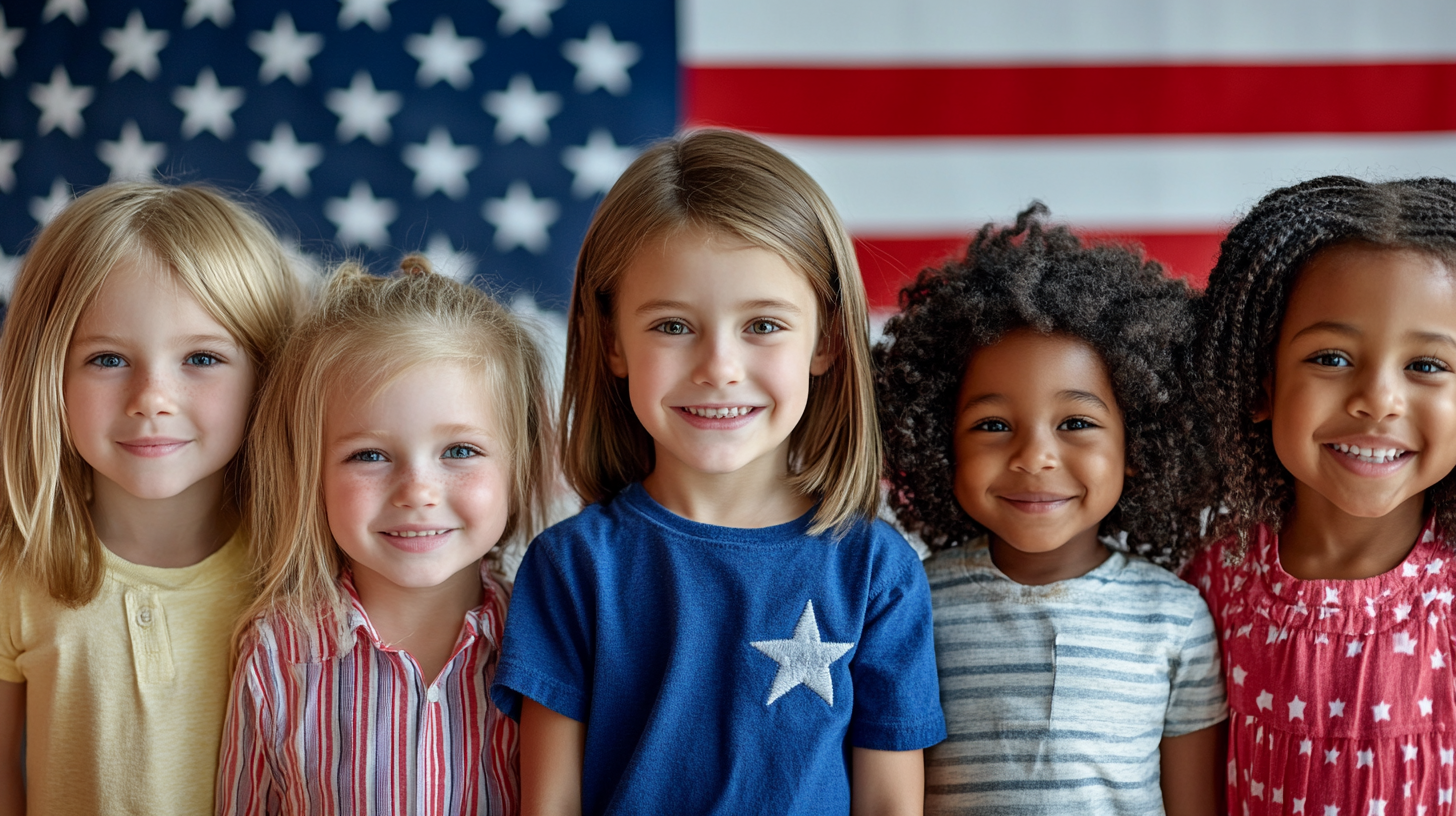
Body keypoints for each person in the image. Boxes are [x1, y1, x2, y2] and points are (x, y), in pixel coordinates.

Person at [491, 129, 945, 815]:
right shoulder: (571, 567)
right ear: (613, 341)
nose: (718, 367)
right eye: (673, 326)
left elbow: (890, 802)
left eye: (762, 325)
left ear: (825, 340)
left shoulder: (877, 572)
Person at [876, 204, 1227, 815]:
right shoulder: (911, 604)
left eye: (1076, 423)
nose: (1035, 456)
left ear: (1138, 444)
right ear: (939, 443)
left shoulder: (1174, 618)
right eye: (992, 424)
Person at [0, 182, 301, 815]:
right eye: (108, 359)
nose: (152, 397)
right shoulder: (15, 578)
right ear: (45, 372)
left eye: (201, 357)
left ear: (268, 375)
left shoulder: (303, 573)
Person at [215, 255, 552, 815]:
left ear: (519, 465)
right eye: (369, 455)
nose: (417, 491)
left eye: (460, 451)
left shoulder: (550, 640)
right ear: (310, 473)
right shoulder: (278, 655)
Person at [1185, 176, 1456, 814]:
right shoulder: (1213, 583)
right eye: (1331, 358)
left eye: (1427, 365)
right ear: (1259, 382)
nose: (1379, 399)